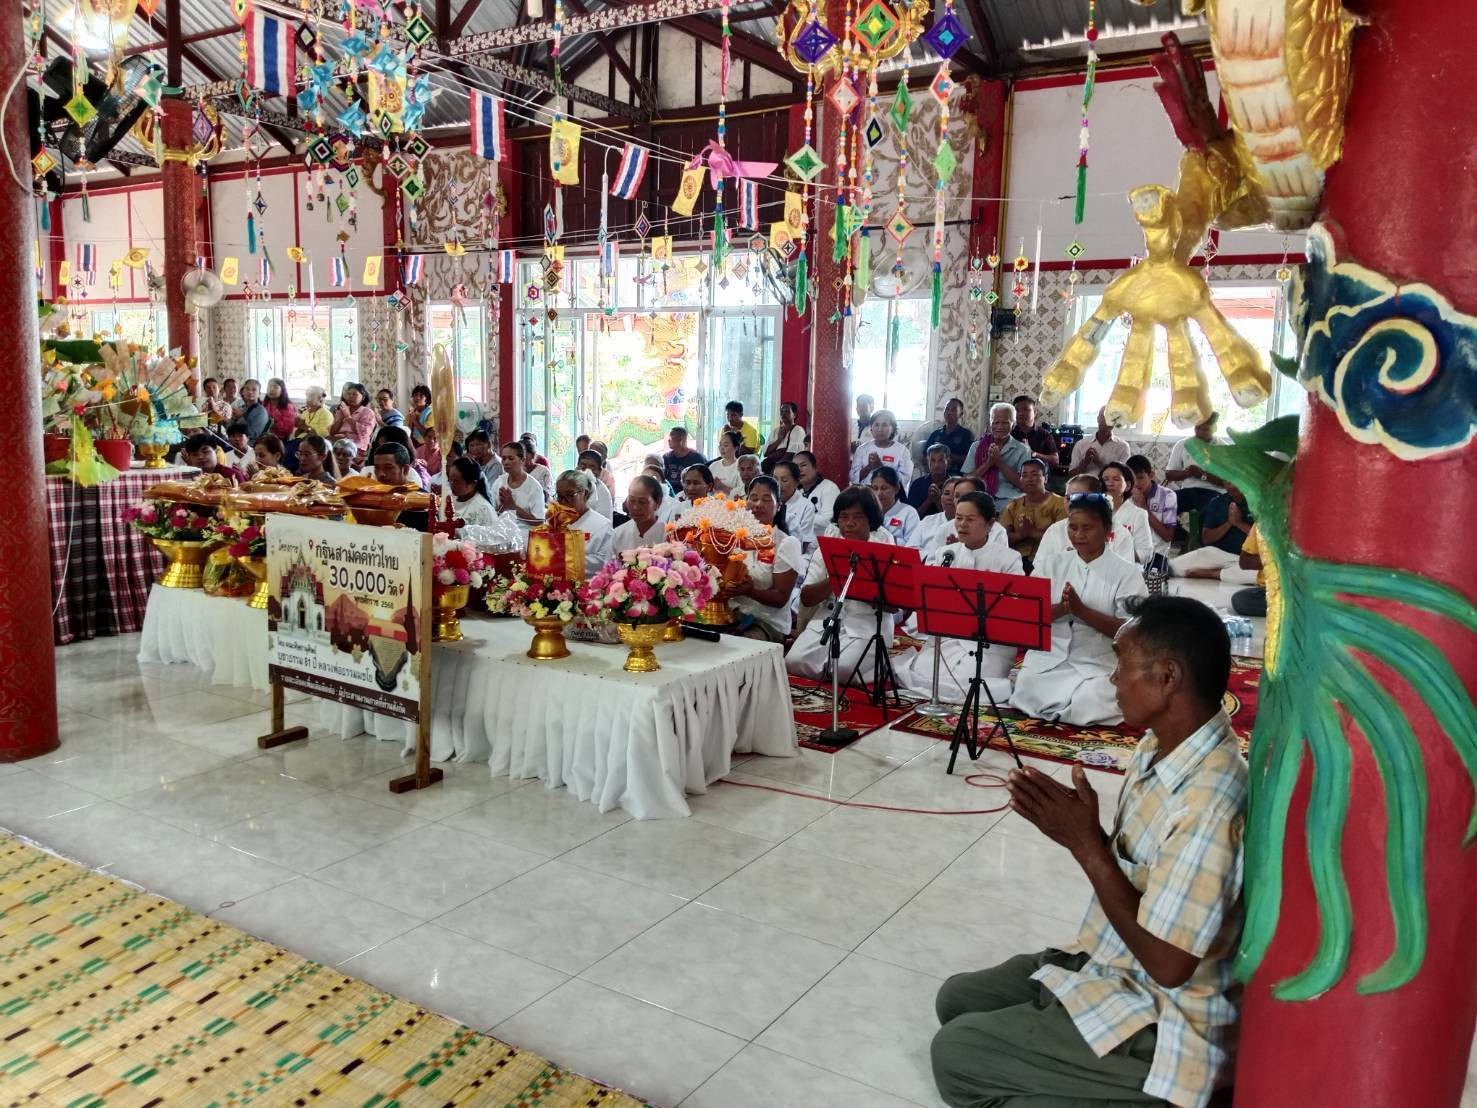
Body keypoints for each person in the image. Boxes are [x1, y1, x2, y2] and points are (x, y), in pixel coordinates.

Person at [937, 595, 1245, 1108]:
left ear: (1168, 678)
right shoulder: (1158, 745)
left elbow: (1170, 966)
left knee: (956, 1055)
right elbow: (1140, 878)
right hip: (1112, 962)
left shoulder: (1209, 802)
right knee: (957, 1000)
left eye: (1121, 663)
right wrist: (1084, 835)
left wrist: (1087, 847)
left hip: (1164, 1018)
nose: (1112, 678)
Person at [1011, 493, 1149, 725]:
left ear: (1107, 530)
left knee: (1091, 699)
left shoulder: (1127, 572)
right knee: (1026, 685)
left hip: (1098, 662)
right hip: (1051, 658)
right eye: (1072, 527)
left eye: (1087, 528)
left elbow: (1134, 632)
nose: (1078, 535)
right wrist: (1064, 609)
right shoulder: (1051, 564)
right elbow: (1028, 614)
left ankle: (1071, 706)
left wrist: (1083, 611)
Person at [896, 492, 1025, 702]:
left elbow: (1015, 606)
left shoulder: (1008, 559)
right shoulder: (945, 553)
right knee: (925, 672)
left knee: (972, 681)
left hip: (990, 641)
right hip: (949, 636)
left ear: (990, 523)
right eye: (958, 518)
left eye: (970, 519)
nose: (962, 525)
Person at [787, 486, 894, 684]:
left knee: (843, 670)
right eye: (843, 517)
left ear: (870, 519)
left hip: (867, 626)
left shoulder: (883, 550)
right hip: (827, 621)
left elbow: (893, 606)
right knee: (792, 662)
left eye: (858, 517)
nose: (850, 524)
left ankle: (881, 665)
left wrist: (868, 587)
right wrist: (836, 578)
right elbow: (807, 597)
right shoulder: (826, 549)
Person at [730, 476, 804, 642]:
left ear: (778, 506)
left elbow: (780, 598)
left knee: (741, 645)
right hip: (732, 613)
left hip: (767, 622)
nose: (758, 504)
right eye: (753, 498)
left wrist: (750, 591)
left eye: (766, 499)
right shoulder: (734, 537)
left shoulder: (786, 543)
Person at [1034, 474, 1138, 564]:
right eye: (1067, 497)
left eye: (1078, 496)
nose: (1070, 502)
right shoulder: (1055, 530)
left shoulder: (1120, 534)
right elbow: (1040, 568)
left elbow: (1125, 573)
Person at [1171, 484, 1255, 578]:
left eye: (1234, 482)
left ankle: (1212, 574)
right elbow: (1206, 539)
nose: (1230, 486)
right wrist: (1229, 523)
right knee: (1173, 567)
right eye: (1227, 482)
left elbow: (1265, 539)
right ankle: (1223, 573)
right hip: (1217, 554)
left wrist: (1239, 523)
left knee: (1259, 576)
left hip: (1248, 558)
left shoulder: (1258, 504)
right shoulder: (1217, 502)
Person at [1000, 458, 1067, 568]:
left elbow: (1062, 539)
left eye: (1034, 474)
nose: (1028, 479)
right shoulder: (1013, 505)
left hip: (1049, 562)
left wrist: (1032, 532)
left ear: (1045, 478)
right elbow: (1001, 538)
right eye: (1024, 475)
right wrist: (1020, 535)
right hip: (1015, 561)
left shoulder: (1060, 504)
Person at [968, 402, 1033, 512]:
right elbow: (967, 480)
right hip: (980, 498)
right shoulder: (977, 446)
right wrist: (988, 464)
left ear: (1013, 425)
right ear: (990, 424)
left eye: (1005, 423)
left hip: (1011, 501)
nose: (999, 427)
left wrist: (1000, 463)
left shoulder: (1023, 450)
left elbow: (1024, 485)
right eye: (996, 422)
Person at [1165, 410, 1226, 516]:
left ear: (1214, 428)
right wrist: (1187, 473)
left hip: (1214, 492)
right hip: (1188, 491)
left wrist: (1202, 475)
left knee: (1210, 512)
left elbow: (1226, 483)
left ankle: (1202, 533)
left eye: (1205, 429)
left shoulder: (1224, 448)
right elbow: (1169, 474)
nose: (1201, 433)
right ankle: (1178, 533)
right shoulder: (1183, 444)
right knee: (1164, 505)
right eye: (1198, 428)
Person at [555, 470, 613, 577]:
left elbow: (603, 561)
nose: (563, 502)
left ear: (585, 493)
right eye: (559, 496)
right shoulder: (556, 521)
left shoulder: (602, 525)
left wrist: (564, 559)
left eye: (569, 495)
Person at [1102, 461, 1154, 566]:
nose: (1110, 483)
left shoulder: (1138, 514)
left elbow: (1146, 554)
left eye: (1116, 479)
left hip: (1127, 571)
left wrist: (1121, 549)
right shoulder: (1091, 512)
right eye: (1105, 479)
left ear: (1128, 485)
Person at [1127, 454, 1178, 558]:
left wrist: (1144, 508)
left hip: (1157, 554)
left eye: (1140, 478)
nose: (1136, 483)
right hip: (1131, 553)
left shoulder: (1167, 495)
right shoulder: (1125, 496)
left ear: (1151, 475)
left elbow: (1168, 536)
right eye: (1132, 478)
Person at [489, 440, 547, 525]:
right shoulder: (499, 482)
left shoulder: (534, 487)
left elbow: (539, 521)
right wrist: (502, 507)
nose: (506, 462)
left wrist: (513, 507)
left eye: (511, 458)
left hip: (524, 534)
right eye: (504, 458)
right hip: (501, 532)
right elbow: (492, 515)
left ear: (523, 460)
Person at [850, 408, 913, 486]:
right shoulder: (862, 449)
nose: (880, 429)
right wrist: (869, 467)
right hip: (866, 493)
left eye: (885, 425)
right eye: (876, 425)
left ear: (893, 429)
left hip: (891, 495)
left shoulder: (902, 451)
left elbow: (904, 480)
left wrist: (880, 466)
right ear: (871, 429)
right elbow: (853, 477)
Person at [1069, 407, 1132, 478]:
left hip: (1109, 488)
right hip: (1085, 487)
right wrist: (1085, 463)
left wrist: (1100, 463)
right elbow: (1071, 475)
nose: (1107, 422)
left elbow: (1124, 477)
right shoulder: (1081, 444)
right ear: (1098, 419)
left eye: (1111, 419)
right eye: (1104, 417)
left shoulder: (1123, 447)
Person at [612, 475, 668, 552]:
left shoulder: (668, 535)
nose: (635, 507)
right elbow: (609, 563)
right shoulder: (618, 534)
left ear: (658, 502)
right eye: (632, 500)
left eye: (642, 502)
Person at [445, 455, 498, 532]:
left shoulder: (483, 508)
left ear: (473, 483)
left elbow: (489, 539)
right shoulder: (448, 498)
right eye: (450, 480)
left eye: (456, 481)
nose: (451, 485)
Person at [870, 466, 920, 546]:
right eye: (875, 488)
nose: (879, 493)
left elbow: (914, 544)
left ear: (896, 489)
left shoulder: (909, 513)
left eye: (884, 488)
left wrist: (887, 538)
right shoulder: (868, 511)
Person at [773, 460, 816, 549]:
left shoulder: (806, 506)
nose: (779, 485)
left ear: (796, 482)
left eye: (784, 480)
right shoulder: (770, 502)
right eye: (775, 479)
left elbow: (804, 543)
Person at [925, 397, 974, 473]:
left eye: (954, 410)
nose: (949, 412)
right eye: (947, 409)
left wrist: (947, 455)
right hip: (935, 476)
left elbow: (970, 460)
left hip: (956, 478)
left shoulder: (966, 435)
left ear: (961, 414)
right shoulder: (935, 434)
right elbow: (924, 458)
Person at [329, 383, 376, 461]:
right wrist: (341, 417)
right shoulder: (342, 410)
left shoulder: (367, 412)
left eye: (355, 394)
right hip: (339, 441)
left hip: (357, 445)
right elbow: (332, 432)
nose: (351, 396)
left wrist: (348, 417)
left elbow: (364, 433)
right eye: (349, 394)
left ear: (363, 397)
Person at [1011, 394, 1060, 467]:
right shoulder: (1010, 434)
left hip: (1039, 476)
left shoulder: (1044, 434)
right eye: (1017, 410)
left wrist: (1033, 453)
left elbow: (1055, 460)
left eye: (1026, 409)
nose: (1021, 413)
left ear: (1035, 412)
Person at [1231, 523, 1269, 616]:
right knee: (1241, 600)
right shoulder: (1262, 522)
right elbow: (1245, 561)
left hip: (1301, 589)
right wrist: (1278, 561)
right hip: (1269, 591)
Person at [181, 432, 247, 484]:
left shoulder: (233, 475)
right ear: (189, 458)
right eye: (195, 454)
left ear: (215, 451)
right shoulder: (187, 478)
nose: (200, 457)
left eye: (205, 452)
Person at [908, 443, 954, 517]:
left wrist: (938, 500)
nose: (936, 465)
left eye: (941, 461)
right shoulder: (917, 484)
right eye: (933, 460)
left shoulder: (954, 485)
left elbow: (953, 518)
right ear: (927, 461)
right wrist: (929, 501)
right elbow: (911, 517)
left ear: (948, 462)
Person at [795, 451, 840, 525]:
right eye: (795, 467)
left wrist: (799, 516)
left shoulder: (829, 487)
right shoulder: (794, 491)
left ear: (815, 467)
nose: (799, 470)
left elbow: (829, 520)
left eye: (803, 465)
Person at [661, 426, 707, 492]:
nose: (668, 440)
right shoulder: (666, 457)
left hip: (689, 493)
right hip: (669, 494)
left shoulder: (697, 458)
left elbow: (705, 479)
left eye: (671, 437)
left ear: (681, 439)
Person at [762, 401, 806, 468]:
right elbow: (765, 453)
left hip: (788, 467)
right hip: (771, 465)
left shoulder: (798, 430)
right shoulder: (775, 431)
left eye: (787, 412)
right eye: (781, 411)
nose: (783, 414)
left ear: (794, 415)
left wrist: (776, 469)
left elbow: (790, 455)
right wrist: (779, 440)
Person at [578, 449, 614, 518]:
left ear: (599, 471)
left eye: (592, 468)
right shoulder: (569, 485)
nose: (587, 472)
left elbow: (601, 522)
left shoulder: (602, 492)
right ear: (577, 468)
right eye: (583, 467)